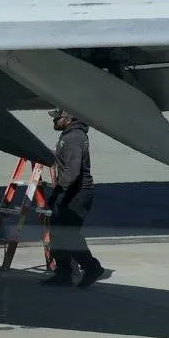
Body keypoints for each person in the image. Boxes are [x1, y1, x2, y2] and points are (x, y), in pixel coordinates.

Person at [42, 109, 105, 288]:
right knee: (57, 232)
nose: (54, 121)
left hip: (76, 194)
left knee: (68, 234)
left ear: (69, 119)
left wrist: (57, 193)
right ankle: (63, 274)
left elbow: (73, 171)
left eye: (57, 118)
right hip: (70, 192)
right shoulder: (70, 136)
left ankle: (92, 268)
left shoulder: (73, 138)